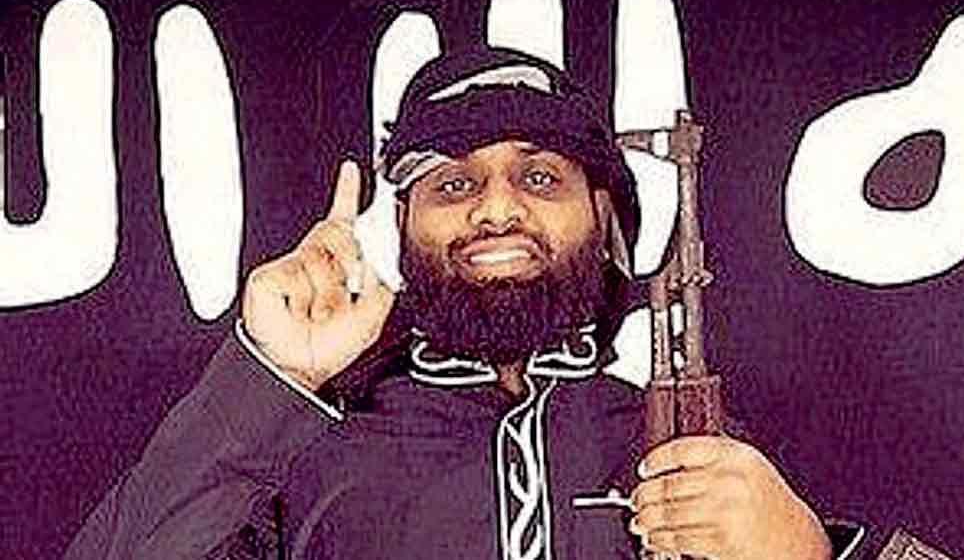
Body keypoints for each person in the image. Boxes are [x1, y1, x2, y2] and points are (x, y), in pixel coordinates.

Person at [65, 48, 864, 559]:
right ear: (402, 227)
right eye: (452, 183)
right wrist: (267, 378)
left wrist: (811, 552)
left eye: (540, 177)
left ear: (605, 220)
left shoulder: (690, 450)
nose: (496, 208)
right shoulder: (303, 454)